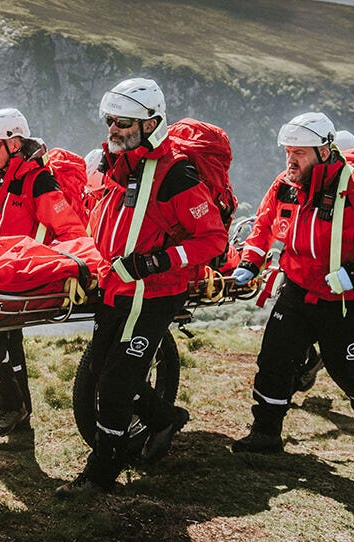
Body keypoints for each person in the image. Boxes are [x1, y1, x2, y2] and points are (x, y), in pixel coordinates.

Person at [56, 78, 228, 497]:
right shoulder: (118, 164)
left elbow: (212, 239)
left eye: (123, 122)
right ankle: (164, 419)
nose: (112, 129)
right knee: (99, 370)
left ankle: (101, 474)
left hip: (153, 294)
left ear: (151, 124)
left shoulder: (176, 174)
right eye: (110, 120)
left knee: (115, 383)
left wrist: (153, 262)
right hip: (116, 289)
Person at [230, 113, 354, 454]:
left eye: (299, 152)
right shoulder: (285, 185)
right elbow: (265, 224)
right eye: (288, 151)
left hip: (345, 299)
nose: (291, 159)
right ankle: (266, 432)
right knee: (274, 359)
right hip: (297, 291)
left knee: (344, 368)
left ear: (325, 150)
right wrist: (249, 262)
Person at [0, 107, 89, 437]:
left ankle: (10, 407)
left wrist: (52, 265)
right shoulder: (3, 181)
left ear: (15, 143)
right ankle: (21, 415)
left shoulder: (38, 181)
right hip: (0, 279)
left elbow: (69, 230)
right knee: (9, 341)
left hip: (21, 278)